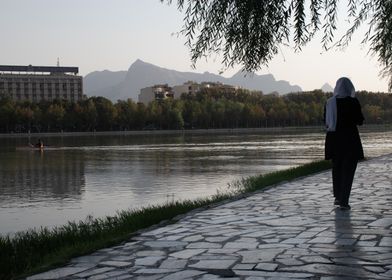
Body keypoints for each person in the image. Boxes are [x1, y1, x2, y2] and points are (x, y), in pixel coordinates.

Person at [324, 77, 364, 210]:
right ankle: (344, 200)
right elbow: (360, 120)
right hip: (350, 140)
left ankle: (338, 197)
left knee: (337, 168)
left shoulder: (329, 103)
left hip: (334, 141)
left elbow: (326, 120)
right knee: (348, 171)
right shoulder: (353, 102)